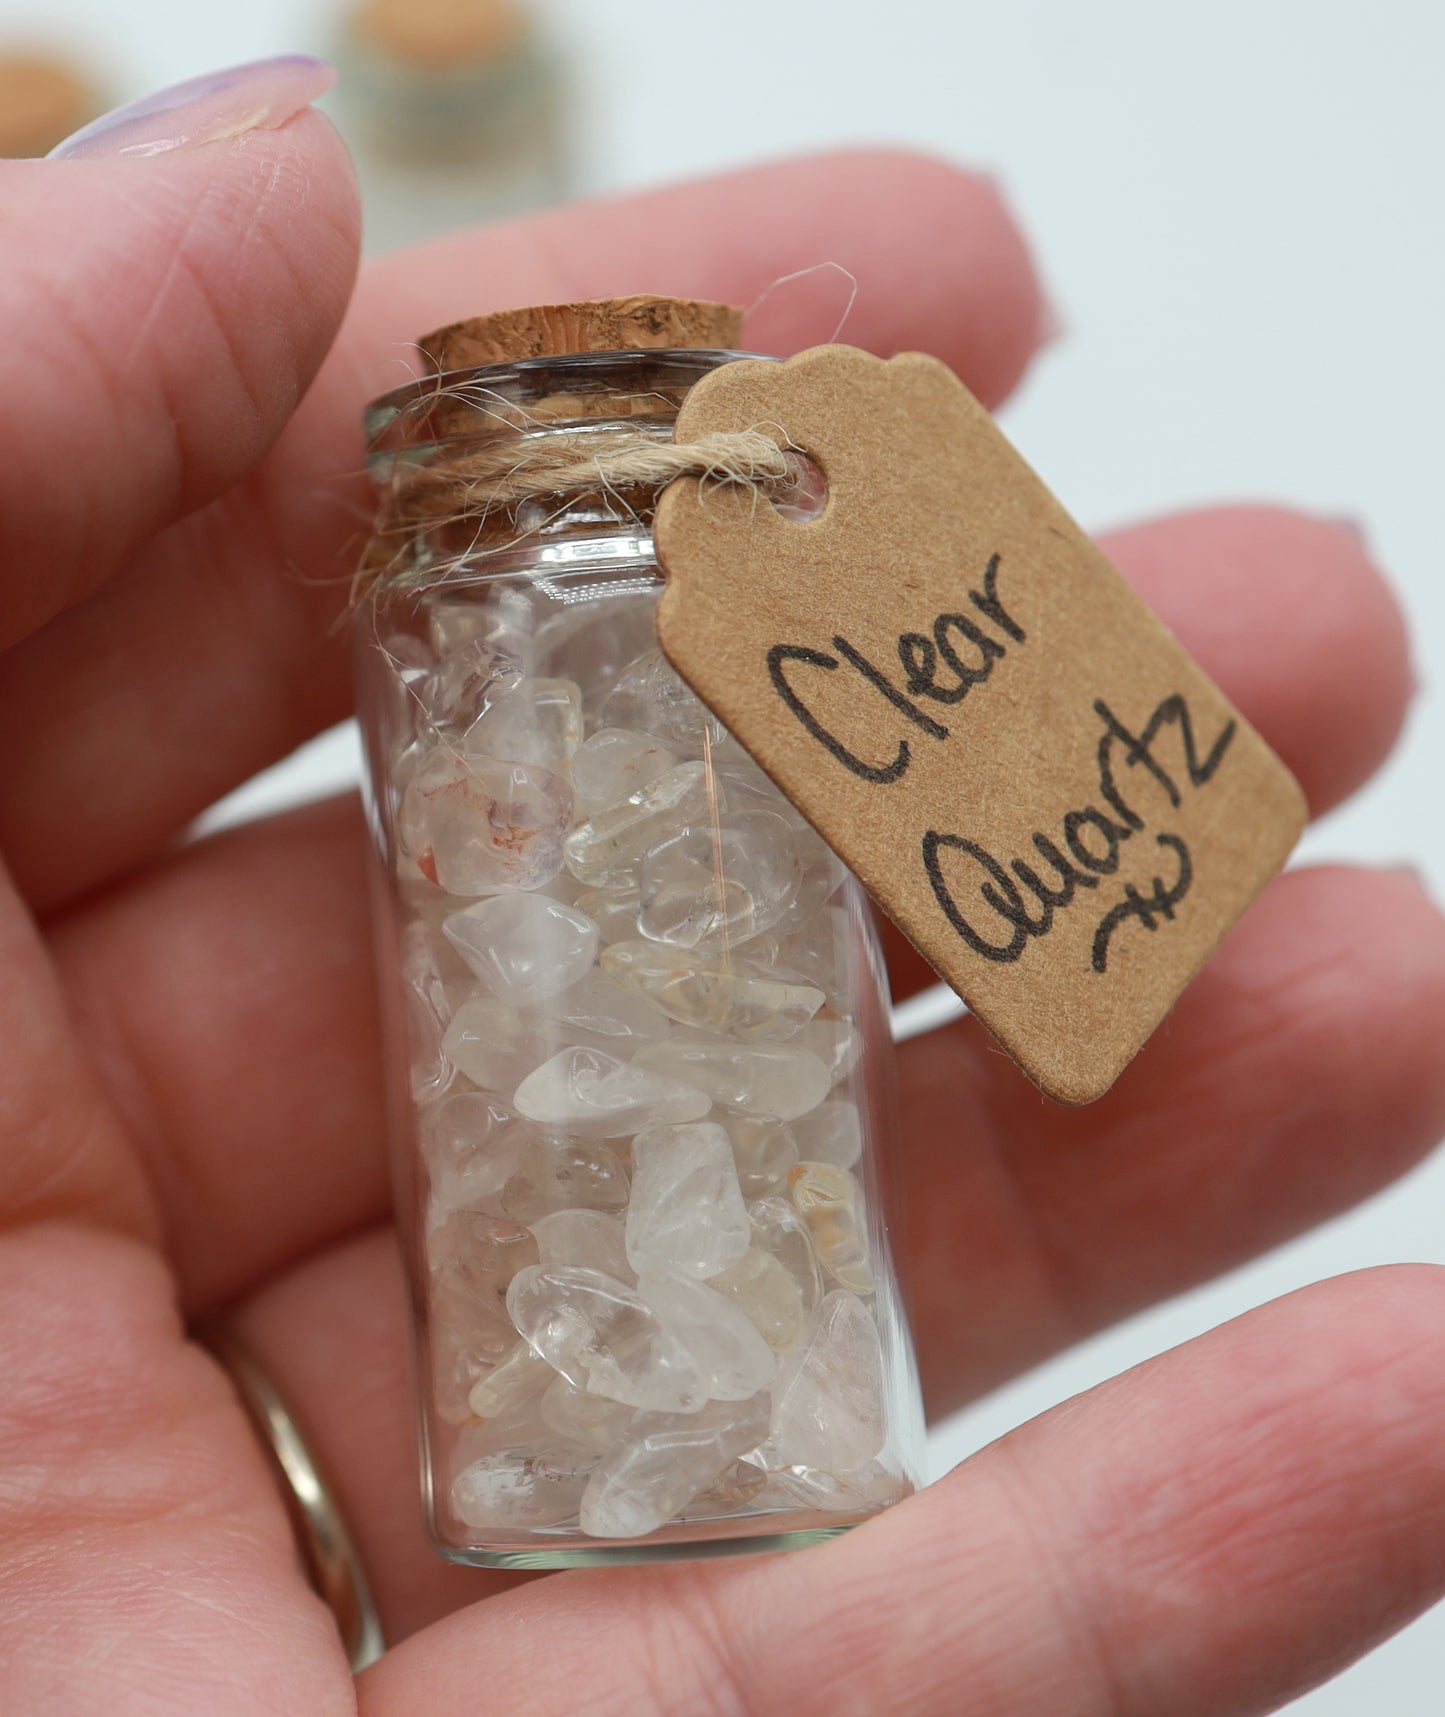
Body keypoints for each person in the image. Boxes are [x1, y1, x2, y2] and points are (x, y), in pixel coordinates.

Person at [4, 54, 1444, 1716]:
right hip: (517, 1455)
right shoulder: (457, 611)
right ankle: (592, 1447)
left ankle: (773, 1414)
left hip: (770, 1404)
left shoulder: (662, 604)